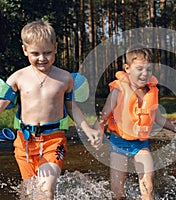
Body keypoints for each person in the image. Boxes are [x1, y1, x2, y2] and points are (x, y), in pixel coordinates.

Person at [0, 20, 101, 199]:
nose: (42, 58)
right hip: (24, 142)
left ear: (55, 47)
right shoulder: (18, 78)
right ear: (25, 50)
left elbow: (71, 107)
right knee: (29, 193)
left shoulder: (65, 78)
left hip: (53, 141)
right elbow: (2, 104)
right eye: (35, 53)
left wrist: (87, 129)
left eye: (47, 52)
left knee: (46, 192)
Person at [95, 44, 176, 200]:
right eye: (139, 69)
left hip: (141, 145)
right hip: (118, 143)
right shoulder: (118, 89)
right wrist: (97, 132)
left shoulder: (151, 92)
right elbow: (104, 114)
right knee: (118, 192)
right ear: (127, 68)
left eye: (148, 69)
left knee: (148, 186)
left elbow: (158, 118)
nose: (144, 74)